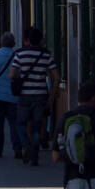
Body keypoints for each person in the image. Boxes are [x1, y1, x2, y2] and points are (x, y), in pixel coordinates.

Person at [8, 26, 60, 167]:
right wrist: (52, 96)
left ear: (28, 40)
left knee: (20, 123)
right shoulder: (46, 56)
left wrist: (20, 76)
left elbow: (12, 75)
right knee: (37, 127)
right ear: (40, 40)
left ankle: (26, 144)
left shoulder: (20, 55)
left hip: (25, 95)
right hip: (41, 95)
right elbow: (56, 77)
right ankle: (34, 158)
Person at [0, 32, 24, 159]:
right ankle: (17, 148)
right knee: (14, 124)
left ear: (1, 43)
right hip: (14, 96)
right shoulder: (18, 56)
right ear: (13, 44)